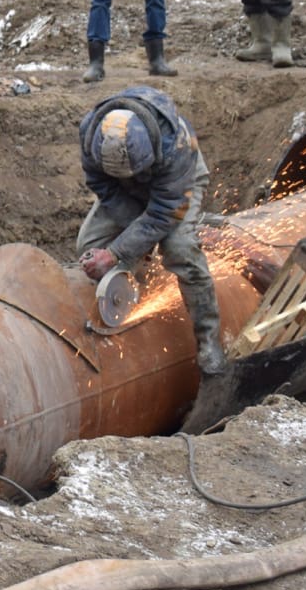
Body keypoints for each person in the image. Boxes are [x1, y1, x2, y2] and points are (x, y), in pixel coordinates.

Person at [74, 87, 225, 376]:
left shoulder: (176, 144)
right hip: (124, 192)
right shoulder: (91, 132)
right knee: (88, 245)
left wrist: (118, 251)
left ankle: (209, 340)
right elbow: (102, 187)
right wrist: (130, 243)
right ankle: (138, 283)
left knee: (180, 250)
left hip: (176, 187)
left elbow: (164, 210)